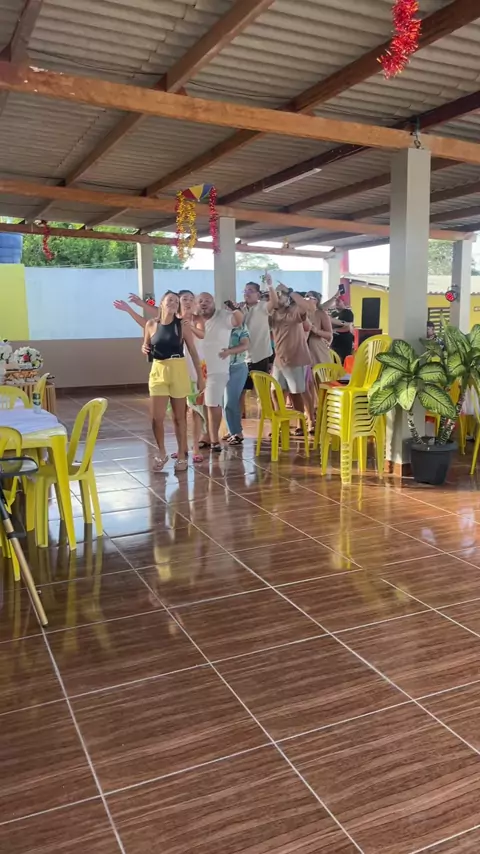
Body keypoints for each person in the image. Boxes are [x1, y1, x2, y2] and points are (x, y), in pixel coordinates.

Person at [142, 291, 204, 473]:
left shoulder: (182, 325)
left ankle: (182, 455)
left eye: (176, 301)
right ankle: (161, 452)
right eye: (170, 300)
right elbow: (147, 347)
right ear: (162, 302)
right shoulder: (151, 324)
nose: (173, 303)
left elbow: (193, 351)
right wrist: (143, 348)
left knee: (179, 417)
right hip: (158, 371)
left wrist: (200, 378)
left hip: (177, 369)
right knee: (157, 418)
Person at [195, 293, 243, 451]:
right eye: (200, 301)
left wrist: (235, 309)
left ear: (213, 302)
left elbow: (238, 321)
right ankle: (205, 435)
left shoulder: (223, 316)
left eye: (207, 301)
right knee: (199, 405)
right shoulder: (193, 319)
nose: (204, 303)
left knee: (212, 402)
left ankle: (214, 439)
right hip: (197, 370)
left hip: (217, 369)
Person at [268, 284, 313, 416]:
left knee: (296, 394)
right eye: (277, 294)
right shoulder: (272, 314)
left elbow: (305, 307)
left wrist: (289, 291)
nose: (278, 296)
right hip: (279, 359)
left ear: (287, 298)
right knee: (275, 391)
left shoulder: (294, 311)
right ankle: (281, 420)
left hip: (296, 359)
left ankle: (304, 421)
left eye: (281, 294)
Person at [222, 321, 250, 445]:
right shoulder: (219, 325)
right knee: (223, 403)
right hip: (221, 367)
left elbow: (245, 345)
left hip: (237, 367)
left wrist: (229, 351)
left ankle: (237, 433)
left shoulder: (241, 327)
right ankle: (231, 430)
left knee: (231, 401)